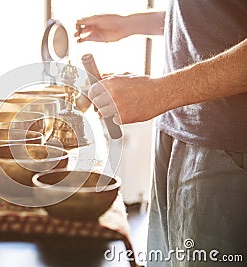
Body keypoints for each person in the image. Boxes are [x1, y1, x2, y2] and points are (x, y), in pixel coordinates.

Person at [75, 1, 247, 266]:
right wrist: (129, 24)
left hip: (228, 148)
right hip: (174, 132)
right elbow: (211, 13)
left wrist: (159, 92)